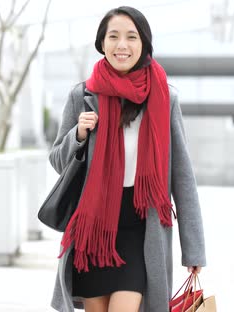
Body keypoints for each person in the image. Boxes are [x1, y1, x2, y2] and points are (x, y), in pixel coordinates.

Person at [48, 6, 206, 312]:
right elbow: (57, 161)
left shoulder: (164, 99)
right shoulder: (81, 97)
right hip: (92, 231)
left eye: (132, 37)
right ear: (102, 43)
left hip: (140, 230)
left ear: (144, 44)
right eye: (114, 37)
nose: (122, 45)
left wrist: (194, 249)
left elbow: (183, 179)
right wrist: (77, 135)